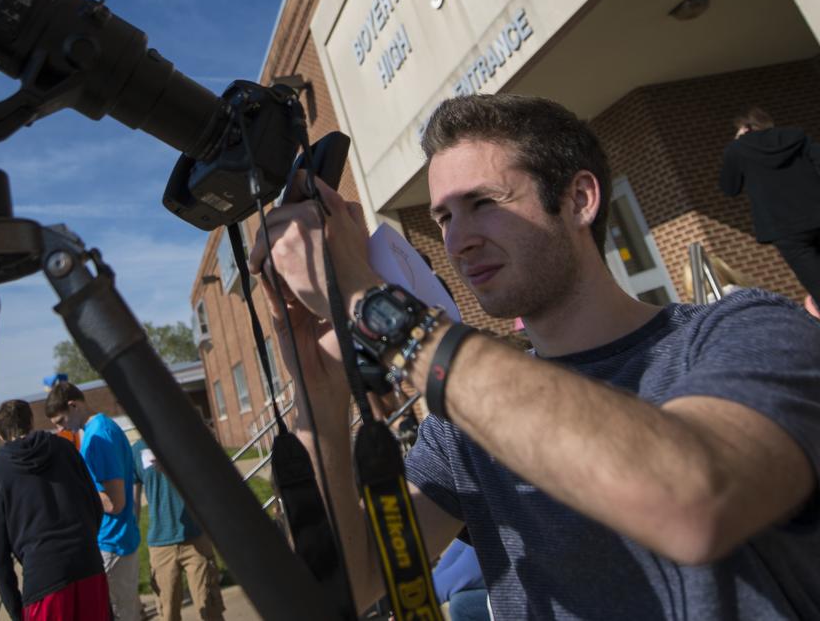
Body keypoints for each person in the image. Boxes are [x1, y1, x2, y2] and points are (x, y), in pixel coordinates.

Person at [249, 93, 820, 619]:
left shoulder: (749, 331)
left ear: (579, 199)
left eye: (483, 203)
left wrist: (370, 306)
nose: (459, 240)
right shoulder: (464, 425)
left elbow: (696, 502)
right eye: (445, 216)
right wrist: (318, 388)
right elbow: (351, 584)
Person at [0, 399, 109, 621]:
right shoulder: (64, 448)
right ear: (31, 423)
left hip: (44, 578)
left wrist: (17, 612)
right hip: (87, 564)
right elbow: (95, 505)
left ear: (1, 436)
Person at [45, 382, 141, 621]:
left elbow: (114, 503)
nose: (60, 429)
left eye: (60, 421)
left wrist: (74, 487)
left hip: (113, 543)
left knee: (119, 614)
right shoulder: (101, 429)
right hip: (115, 541)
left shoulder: (98, 436)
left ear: (73, 405)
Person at [720, 106, 820, 302]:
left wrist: (737, 144)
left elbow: (729, 188)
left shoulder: (738, 149)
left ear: (745, 127)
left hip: (785, 229)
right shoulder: (798, 137)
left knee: (816, 282)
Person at [131, 437, 224, 621]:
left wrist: (172, 470)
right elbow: (134, 498)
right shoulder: (136, 450)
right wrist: (131, 534)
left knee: (210, 611)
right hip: (160, 545)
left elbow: (205, 481)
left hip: (195, 537)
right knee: (168, 614)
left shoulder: (179, 438)